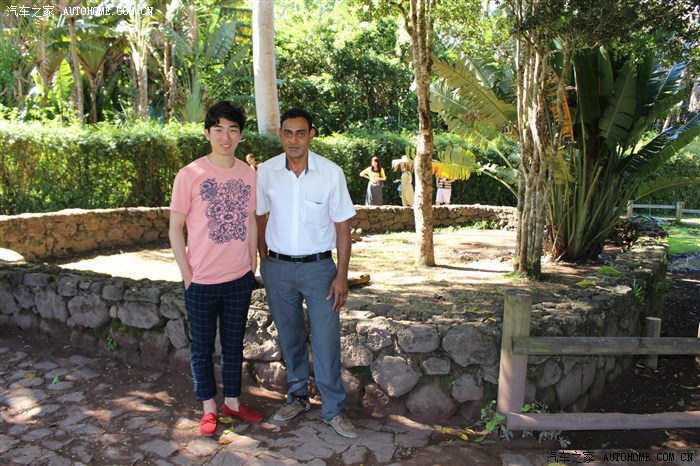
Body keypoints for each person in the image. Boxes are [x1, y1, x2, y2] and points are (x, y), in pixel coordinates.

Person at [255, 108, 358, 439]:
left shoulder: (331, 173)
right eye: (287, 133)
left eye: (301, 133)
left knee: (326, 341)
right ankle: (297, 397)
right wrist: (264, 259)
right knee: (290, 337)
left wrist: (341, 275)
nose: (293, 140)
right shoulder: (267, 172)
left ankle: (333, 410)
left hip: (319, 270)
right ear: (281, 135)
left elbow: (343, 228)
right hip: (278, 269)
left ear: (311, 135)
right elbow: (260, 216)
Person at [169, 101, 263, 437]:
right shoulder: (189, 174)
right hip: (201, 281)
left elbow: (250, 221)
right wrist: (187, 275)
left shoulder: (248, 174)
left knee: (234, 346)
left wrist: (251, 264)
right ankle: (209, 408)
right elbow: (175, 228)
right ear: (207, 133)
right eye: (219, 129)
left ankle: (232, 403)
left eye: (233, 130)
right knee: (202, 349)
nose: (226, 137)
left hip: (238, 278)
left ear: (240, 135)